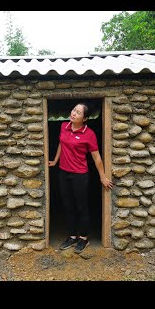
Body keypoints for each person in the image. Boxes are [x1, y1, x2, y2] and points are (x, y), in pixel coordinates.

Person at [48, 102, 114, 253]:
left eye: (78, 112)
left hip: (80, 175)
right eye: (73, 110)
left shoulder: (89, 134)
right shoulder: (63, 126)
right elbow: (61, 144)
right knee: (68, 206)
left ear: (84, 118)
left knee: (81, 207)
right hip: (63, 173)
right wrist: (55, 161)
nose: (73, 113)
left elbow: (97, 158)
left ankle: (83, 238)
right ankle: (72, 236)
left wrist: (102, 177)